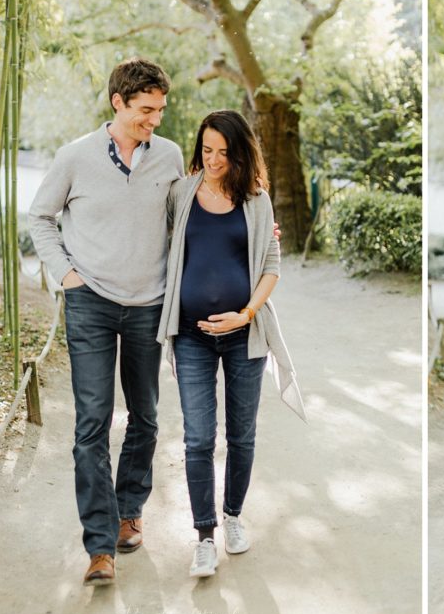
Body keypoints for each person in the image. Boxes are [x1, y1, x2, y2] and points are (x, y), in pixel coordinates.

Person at [29, 58, 183, 585]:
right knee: (92, 423)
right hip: (90, 301)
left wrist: (257, 226)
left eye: (160, 110)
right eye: (145, 110)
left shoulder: (169, 156)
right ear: (118, 102)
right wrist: (65, 273)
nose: (154, 120)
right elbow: (40, 216)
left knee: (145, 415)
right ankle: (99, 547)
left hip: (149, 304)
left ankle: (128, 512)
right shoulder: (74, 157)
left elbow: (188, 218)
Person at [156, 110, 305, 579]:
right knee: (199, 438)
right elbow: (159, 246)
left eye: (223, 151)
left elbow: (272, 265)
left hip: (245, 337)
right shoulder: (181, 193)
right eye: (206, 150)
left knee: (242, 435)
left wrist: (244, 314)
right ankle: (204, 536)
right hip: (192, 337)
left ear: (239, 152)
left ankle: (234, 517)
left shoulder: (257, 200)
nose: (214, 159)